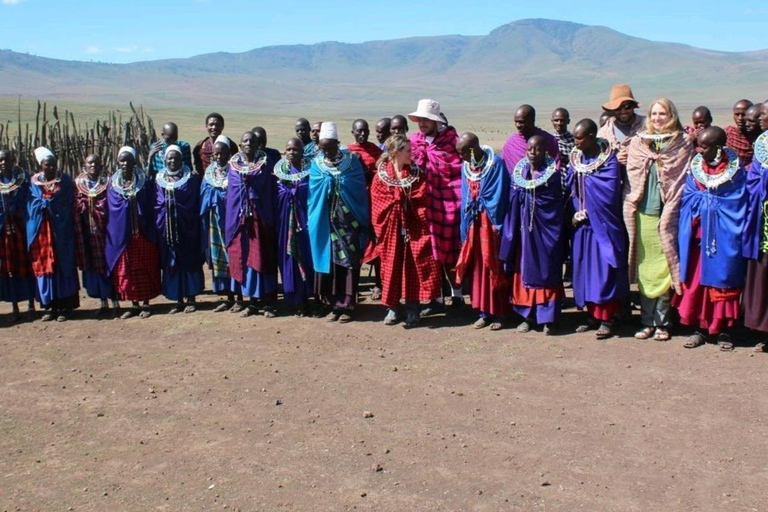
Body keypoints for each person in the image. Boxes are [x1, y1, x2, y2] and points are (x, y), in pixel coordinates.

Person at [624, 98, 693, 341]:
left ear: (671, 115)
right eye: (653, 114)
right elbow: (632, 175)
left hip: (668, 214)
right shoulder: (639, 143)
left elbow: (682, 179)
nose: (656, 118)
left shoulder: (682, 143)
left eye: (662, 114)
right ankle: (646, 321)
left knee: (666, 268)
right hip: (642, 213)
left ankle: (663, 322)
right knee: (645, 269)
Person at [674, 127, 746, 351]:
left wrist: (712, 202)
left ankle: (724, 330)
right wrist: (702, 204)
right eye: (698, 145)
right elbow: (689, 197)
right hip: (699, 237)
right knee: (697, 283)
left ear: (718, 147)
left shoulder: (736, 171)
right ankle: (701, 329)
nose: (699, 150)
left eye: (704, 147)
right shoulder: (695, 168)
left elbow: (737, 202)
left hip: (724, 237)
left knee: (723, 281)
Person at [370, 134, 440, 327]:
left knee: (413, 268)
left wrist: (409, 208)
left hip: (414, 229)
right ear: (396, 152)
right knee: (391, 267)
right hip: (391, 230)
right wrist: (397, 205)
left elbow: (423, 199)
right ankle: (393, 307)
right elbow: (378, 204)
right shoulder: (381, 177)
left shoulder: (416, 174)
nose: (412, 154)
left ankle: (412, 308)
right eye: (408, 151)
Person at [568, 119, 629, 339]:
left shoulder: (609, 160)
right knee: (585, 269)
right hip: (582, 227)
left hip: (602, 224)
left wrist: (587, 212)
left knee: (604, 270)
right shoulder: (576, 159)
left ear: (592, 136)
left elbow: (609, 193)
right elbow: (572, 188)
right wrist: (576, 211)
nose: (575, 141)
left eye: (579, 137)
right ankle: (592, 315)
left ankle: (607, 317)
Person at [501, 135, 565, 334]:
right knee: (524, 270)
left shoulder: (552, 176)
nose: (533, 153)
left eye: (537, 149)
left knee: (546, 270)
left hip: (546, 233)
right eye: (529, 149)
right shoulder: (520, 173)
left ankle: (548, 318)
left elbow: (553, 206)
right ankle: (526, 316)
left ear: (546, 151)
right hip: (524, 234)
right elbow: (514, 199)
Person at [308, 122, 370, 323]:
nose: (328, 152)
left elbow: (358, 188)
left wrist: (336, 182)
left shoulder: (352, 162)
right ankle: (332, 304)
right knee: (330, 263)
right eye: (324, 148)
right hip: (326, 221)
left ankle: (347, 305)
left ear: (338, 143)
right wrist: (328, 181)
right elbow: (313, 192)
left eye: (331, 147)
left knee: (348, 263)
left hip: (348, 221)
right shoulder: (317, 164)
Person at [408, 99, 463, 314]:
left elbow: (458, 172)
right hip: (424, 205)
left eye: (426, 120)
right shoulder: (414, 142)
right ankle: (436, 299)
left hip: (449, 204)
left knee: (452, 250)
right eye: (420, 119)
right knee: (430, 253)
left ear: (436, 121)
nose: (422, 124)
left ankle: (457, 295)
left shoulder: (452, 141)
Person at [454, 133, 510, 329]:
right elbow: (465, 195)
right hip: (473, 224)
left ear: (471, 150)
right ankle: (483, 311)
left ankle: (500, 313)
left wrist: (483, 206)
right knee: (477, 267)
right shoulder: (466, 167)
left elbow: (499, 194)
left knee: (493, 265)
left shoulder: (496, 164)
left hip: (489, 223)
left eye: (462, 153)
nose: (459, 157)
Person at [226, 131, 279, 318]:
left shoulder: (266, 165)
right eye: (245, 141)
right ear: (240, 145)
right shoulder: (233, 167)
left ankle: (269, 302)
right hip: (241, 221)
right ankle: (252, 302)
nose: (249, 143)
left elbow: (269, 190)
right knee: (245, 258)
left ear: (259, 145)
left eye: (252, 141)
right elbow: (233, 194)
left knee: (264, 257)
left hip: (262, 219)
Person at [107, 147, 161, 319]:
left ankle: (146, 303)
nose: (125, 164)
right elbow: (112, 207)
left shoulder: (143, 182)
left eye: (128, 161)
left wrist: (135, 201)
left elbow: (150, 203)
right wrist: (125, 204)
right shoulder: (113, 184)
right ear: (117, 162)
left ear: (134, 163)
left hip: (142, 233)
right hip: (124, 235)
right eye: (122, 161)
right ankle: (133, 304)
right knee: (128, 269)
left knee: (144, 267)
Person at [26, 147, 79, 321]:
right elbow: (31, 206)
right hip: (42, 232)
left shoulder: (64, 181)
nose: (52, 168)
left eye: (54, 164)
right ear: (41, 165)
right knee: (45, 266)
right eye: (48, 165)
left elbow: (69, 203)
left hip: (62, 231)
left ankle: (66, 306)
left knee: (63, 264)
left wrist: (53, 207)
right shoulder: (33, 183)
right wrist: (43, 205)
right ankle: (49, 306)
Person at [156, 145, 204, 314]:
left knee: (189, 261)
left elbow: (194, 202)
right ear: (165, 160)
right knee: (172, 263)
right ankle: (177, 298)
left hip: (187, 228)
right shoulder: (158, 179)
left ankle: (191, 297)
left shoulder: (190, 178)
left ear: (181, 160)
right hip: (167, 230)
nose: (173, 161)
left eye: (176, 158)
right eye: (170, 158)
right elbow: (156, 203)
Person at [200, 135, 243, 312]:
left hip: (232, 222)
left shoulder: (236, 170)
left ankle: (239, 296)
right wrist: (216, 194)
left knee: (235, 256)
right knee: (219, 260)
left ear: (229, 154)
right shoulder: (209, 173)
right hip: (215, 222)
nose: (219, 157)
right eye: (216, 154)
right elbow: (204, 194)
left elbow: (240, 194)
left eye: (223, 153)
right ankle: (227, 296)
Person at [275, 138, 315, 315]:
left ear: (302, 152)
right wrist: (289, 192)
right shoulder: (278, 174)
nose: (292, 152)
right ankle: (295, 300)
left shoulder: (311, 172)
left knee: (308, 258)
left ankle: (309, 298)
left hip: (306, 223)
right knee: (289, 259)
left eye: (296, 149)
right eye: (289, 149)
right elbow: (276, 197)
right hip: (286, 225)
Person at [74, 154, 117, 316]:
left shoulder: (110, 182)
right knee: (94, 266)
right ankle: (103, 302)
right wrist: (83, 206)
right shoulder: (79, 184)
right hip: (87, 234)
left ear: (101, 165)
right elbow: (76, 205)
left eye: (96, 162)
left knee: (110, 264)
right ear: (84, 165)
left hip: (107, 231)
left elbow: (112, 203)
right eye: (90, 162)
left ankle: (114, 299)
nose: (93, 165)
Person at [347, 118, 384, 300]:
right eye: (359, 131)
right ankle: (352, 288)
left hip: (374, 201)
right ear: (352, 132)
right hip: (354, 203)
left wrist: (369, 173)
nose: (362, 134)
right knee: (353, 242)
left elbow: (383, 173)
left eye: (365, 131)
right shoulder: (347, 152)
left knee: (376, 240)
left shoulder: (376, 151)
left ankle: (379, 283)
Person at [0, 149, 35, 322]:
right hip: (4, 231)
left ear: (13, 159)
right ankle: (14, 307)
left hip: (22, 228)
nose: (3, 163)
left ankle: (31, 305)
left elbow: (29, 201)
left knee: (26, 265)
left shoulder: (23, 178)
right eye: (0, 160)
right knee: (10, 269)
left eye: (6, 159)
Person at [742, 120, 768, 351]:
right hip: (764, 221)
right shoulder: (762, 145)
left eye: (764, 115)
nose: (760, 120)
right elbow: (754, 181)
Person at [501, 104, 560, 175]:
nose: (517, 125)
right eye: (516, 122)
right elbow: (504, 169)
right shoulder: (511, 143)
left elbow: (555, 165)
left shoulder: (548, 140)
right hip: (515, 184)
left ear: (532, 121)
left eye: (521, 122)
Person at [597, 84, 646, 168]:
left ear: (633, 106)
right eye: (618, 108)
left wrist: (635, 156)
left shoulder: (647, 125)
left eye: (627, 107)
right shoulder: (605, 133)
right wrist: (614, 160)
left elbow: (659, 150)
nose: (623, 111)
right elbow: (597, 160)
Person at [724, 99, 755, 167]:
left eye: (743, 115)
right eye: (737, 114)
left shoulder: (756, 136)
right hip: (730, 169)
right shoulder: (728, 132)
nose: (740, 118)